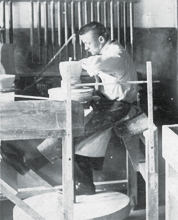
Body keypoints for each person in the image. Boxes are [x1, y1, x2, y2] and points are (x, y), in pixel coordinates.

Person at [2, 22, 139, 196]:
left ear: (102, 39)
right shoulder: (108, 51)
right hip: (108, 104)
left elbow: (98, 63)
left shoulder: (116, 54)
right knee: (80, 141)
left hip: (120, 107)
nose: (86, 47)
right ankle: (85, 185)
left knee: (73, 133)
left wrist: (76, 65)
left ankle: (27, 161)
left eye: (88, 43)